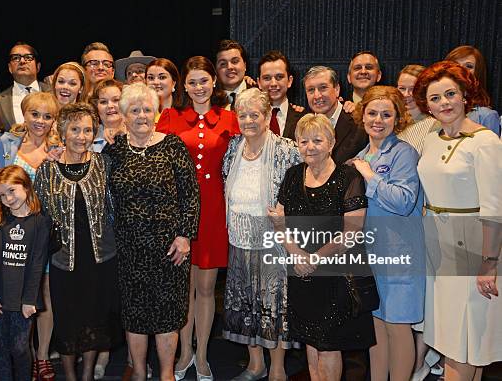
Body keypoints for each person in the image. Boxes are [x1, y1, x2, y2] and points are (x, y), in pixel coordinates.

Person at [104, 83, 200, 381]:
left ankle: (167, 374)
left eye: (147, 109)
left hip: (169, 248)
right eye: (134, 110)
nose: (142, 115)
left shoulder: (173, 146)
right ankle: (138, 373)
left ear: (156, 113)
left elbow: (191, 195)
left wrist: (184, 236)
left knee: (167, 315)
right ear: (124, 115)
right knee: (135, 314)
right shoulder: (115, 150)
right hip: (129, 248)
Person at [414, 61, 502, 381]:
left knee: (462, 346)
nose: (444, 103)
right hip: (438, 247)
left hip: (474, 250)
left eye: (450, 93)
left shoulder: (486, 142)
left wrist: (489, 262)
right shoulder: (432, 139)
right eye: (435, 98)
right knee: (462, 345)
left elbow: (495, 206)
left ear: (466, 95)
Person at [271, 114, 376, 381]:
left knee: (328, 345)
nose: (310, 146)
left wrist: (314, 259)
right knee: (310, 340)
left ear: (331, 143)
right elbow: (279, 221)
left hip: (335, 275)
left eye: (318, 140)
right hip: (301, 272)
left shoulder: (348, 176)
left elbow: (352, 231)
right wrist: (297, 255)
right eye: (304, 141)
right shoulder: (293, 175)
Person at [157, 56, 238, 380]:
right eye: (192, 81)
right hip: (180, 213)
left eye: (204, 80)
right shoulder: (170, 117)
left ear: (214, 82)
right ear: (184, 86)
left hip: (216, 211)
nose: (199, 87)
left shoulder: (230, 119)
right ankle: (185, 352)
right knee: (183, 289)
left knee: (206, 289)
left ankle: (202, 354)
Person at [35, 102, 122, 381]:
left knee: (96, 321)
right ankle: (70, 375)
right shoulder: (47, 171)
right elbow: (37, 216)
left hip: (101, 258)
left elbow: (116, 206)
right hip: (64, 260)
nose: (82, 136)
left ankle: (86, 375)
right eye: (75, 129)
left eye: (87, 130)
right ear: (62, 131)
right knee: (68, 323)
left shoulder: (103, 163)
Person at [222, 88, 301, 381]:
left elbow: (299, 192)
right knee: (246, 302)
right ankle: (255, 364)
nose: (248, 120)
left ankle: (278, 369)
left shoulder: (287, 149)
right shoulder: (233, 147)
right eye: (243, 115)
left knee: (273, 303)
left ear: (268, 116)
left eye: (255, 114)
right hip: (239, 237)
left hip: (274, 239)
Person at [348, 86, 425, 381]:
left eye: (386, 114)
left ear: (397, 119)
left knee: (398, 325)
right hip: (372, 252)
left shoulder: (404, 153)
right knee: (377, 326)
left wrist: (370, 176)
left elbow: (404, 202)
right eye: (372, 113)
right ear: (362, 115)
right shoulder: (362, 154)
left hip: (400, 252)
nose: (378, 119)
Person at [0, 91, 59, 380]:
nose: (40, 121)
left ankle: (41, 356)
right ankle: (22, 354)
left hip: (43, 230)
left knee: (43, 293)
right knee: (15, 291)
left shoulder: (59, 147)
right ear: (24, 114)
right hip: (12, 231)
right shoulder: (6, 144)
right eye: (35, 114)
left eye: (47, 116)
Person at [0, 165, 51, 381]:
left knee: (20, 348)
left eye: (12, 191)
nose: (8, 199)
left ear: (26, 187)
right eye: (2, 194)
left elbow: (37, 264)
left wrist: (30, 299)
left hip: (23, 299)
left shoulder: (40, 220)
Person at [299, 66, 368, 164]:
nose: (317, 95)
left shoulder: (360, 123)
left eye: (323, 88)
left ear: (337, 89)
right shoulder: (300, 125)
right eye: (311, 90)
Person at [0, 42, 51, 131]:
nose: (22, 61)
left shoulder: (53, 93)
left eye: (28, 57)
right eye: (16, 58)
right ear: (9, 68)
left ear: (38, 67)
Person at [445, 45, 500, 136]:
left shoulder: (485, 116)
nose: (461, 69)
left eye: (469, 66)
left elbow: (491, 149)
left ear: (478, 72)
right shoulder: (437, 111)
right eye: (455, 65)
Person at [396, 65, 440, 155]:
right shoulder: (390, 120)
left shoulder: (435, 125)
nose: (406, 94)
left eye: (412, 89)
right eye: (402, 88)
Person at [257, 50, 301, 140]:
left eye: (279, 77)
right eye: (267, 78)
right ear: (259, 83)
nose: (273, 83)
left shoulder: (303, 118)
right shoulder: (250, 118)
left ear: (290, 81)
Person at [216, 39, 253, 110]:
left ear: (245, 65)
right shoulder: (208, 101)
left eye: (235, 61)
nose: (229, 67)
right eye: (223, 64)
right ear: (216, 70)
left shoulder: (260, 94)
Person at [91, 78, 124, 153]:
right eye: (103, 102)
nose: (110, 106)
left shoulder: (138, 133)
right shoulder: (89, 137)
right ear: (96, 106)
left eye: (116, 100)